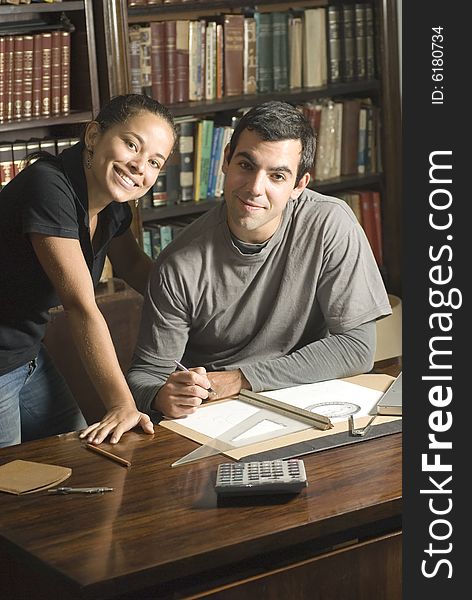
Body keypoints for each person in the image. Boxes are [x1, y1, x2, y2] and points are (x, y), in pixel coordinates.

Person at [127, 101, 392, 421]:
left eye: (277, 176)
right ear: (225, 161)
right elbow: (144, 377)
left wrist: (241, 379)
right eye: (246, 165)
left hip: (311, 398)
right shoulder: (179, 264)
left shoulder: (330, 225)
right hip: (217, 413)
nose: (255, 188)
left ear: (299, 186)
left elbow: (356, 348)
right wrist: (161, 395)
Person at [0, 94, 176, 448]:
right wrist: (122, 403)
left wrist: (197, 317)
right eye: (131, 145)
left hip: (26, 353)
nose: (140, 167)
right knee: (10, 493)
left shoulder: (111, 206)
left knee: (75, 460)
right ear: (94, 136)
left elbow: (135, 268)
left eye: (155, 162)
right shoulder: (47, 187)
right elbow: (80, 306)